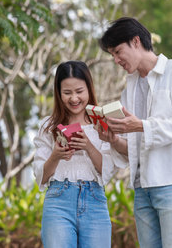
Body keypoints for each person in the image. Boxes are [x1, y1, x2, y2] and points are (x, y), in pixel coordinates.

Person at [97, 17, 172, 248]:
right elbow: (134, 148)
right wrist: (114, 139)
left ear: (136, 41)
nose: (116, 60)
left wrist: (141, 125)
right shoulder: (131, 86)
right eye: (113, 56)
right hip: (142, 187)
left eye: (118, 52)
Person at [33, 60, 126, 248]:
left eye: (79, 91)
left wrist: (89, 147)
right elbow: (40, 176)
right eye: (67, 93)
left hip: (95, 201)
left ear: (89, 89)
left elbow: (107, 172)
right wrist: (56, 155)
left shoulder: (102, 124)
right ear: (58, 93)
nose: (74, 99)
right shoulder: (47, 126)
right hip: (58, 201)